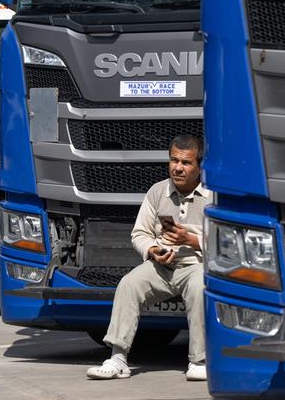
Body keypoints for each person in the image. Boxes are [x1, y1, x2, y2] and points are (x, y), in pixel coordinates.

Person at [86, 134, 212, 381]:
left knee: (199, 287)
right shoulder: (157, 191)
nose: (177, 167)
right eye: (173, 160)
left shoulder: (213, 195)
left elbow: (227, 242)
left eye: (186, 163)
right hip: (162, 266)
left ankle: (199, 360)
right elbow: (140, 233)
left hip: (197, 265)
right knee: (129, 284)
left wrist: (192, 240)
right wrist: (153, 250)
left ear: (200, 166)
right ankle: (118, 358)